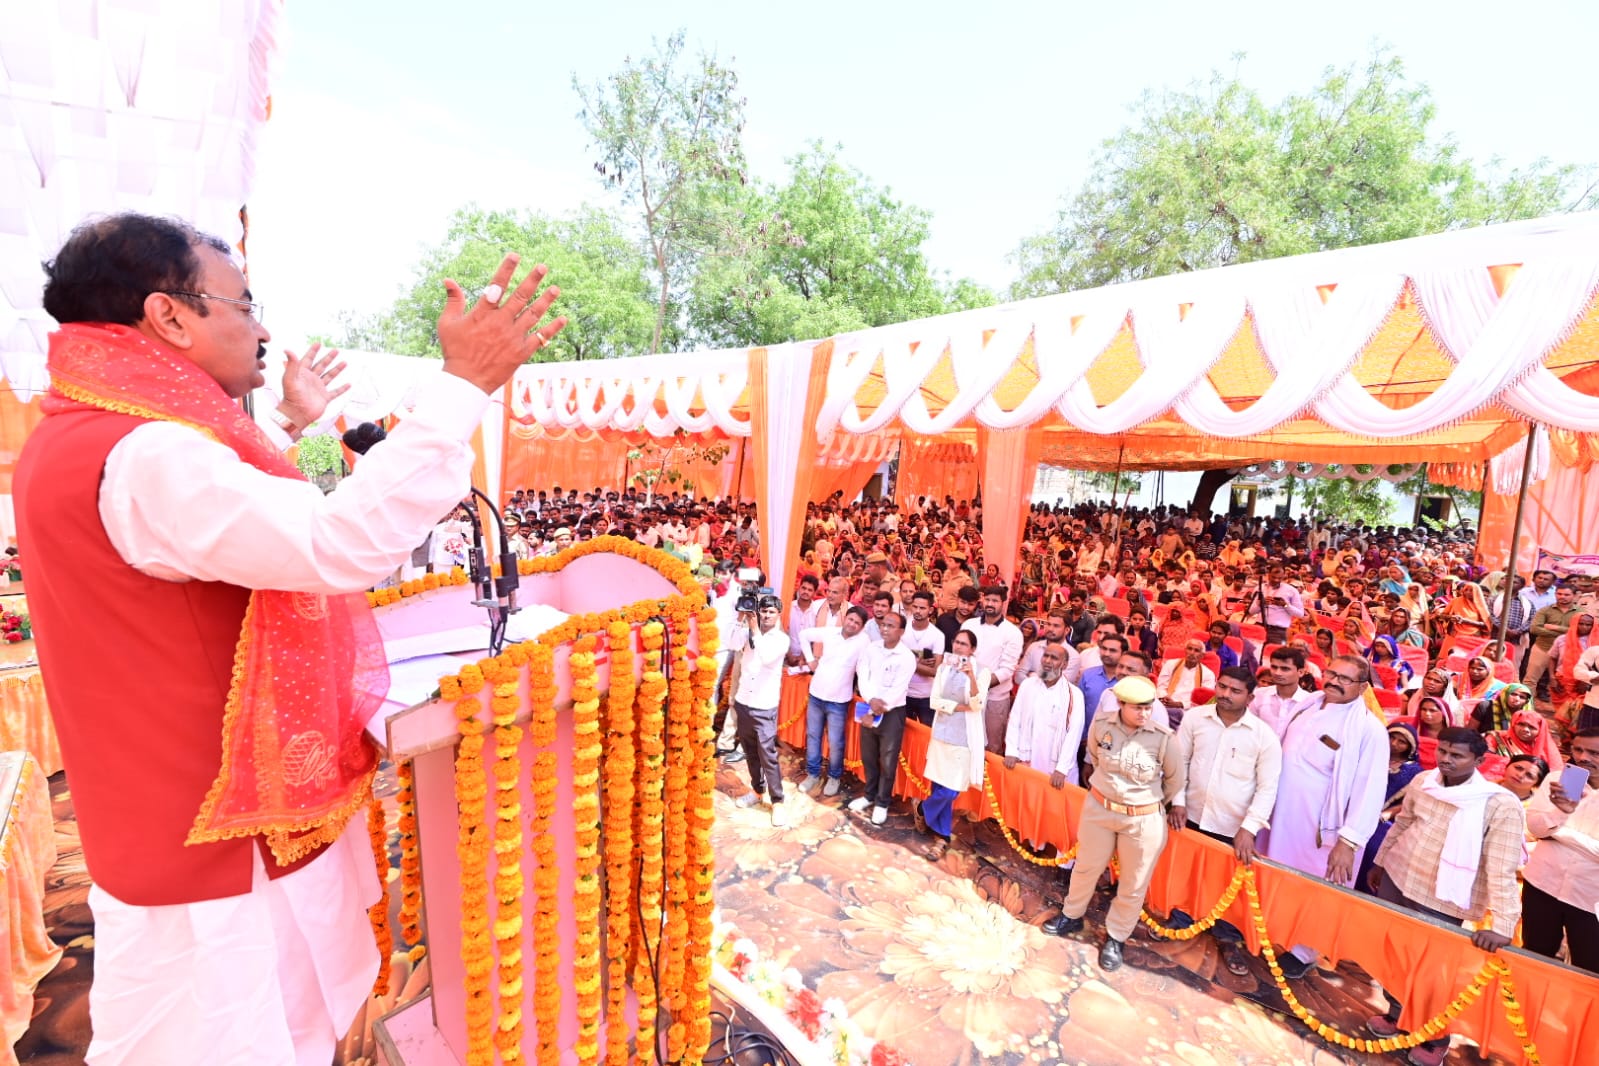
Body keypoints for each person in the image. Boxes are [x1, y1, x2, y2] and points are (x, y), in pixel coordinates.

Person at [14, 214, 567, 1064]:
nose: (262, 330)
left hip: (162, 808)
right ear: (170, 316)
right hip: (216, 838)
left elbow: (206, 525)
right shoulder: (146, 450)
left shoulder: (82, 433)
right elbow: (335, 546)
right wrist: (463, 386)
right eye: (245, 305)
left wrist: (286, 426)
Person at [1365, 728, 1525, 1066]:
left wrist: (1504, 924)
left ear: (1479, 760)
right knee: (1393, 956)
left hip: (1443, 898)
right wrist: (1380, 861)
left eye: (1457, 755)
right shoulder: (1424, 781)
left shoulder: (1499, 804)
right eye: (1442, 751)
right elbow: (1403, 824)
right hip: (1398, 876)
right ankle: (1398, 1015)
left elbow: (1502, 867)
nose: (1446, 760)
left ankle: (1435, 1037)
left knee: (1432, 972)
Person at [1042, 675, 1183, 972]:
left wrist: (1141, 802)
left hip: (1142, 819)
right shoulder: (1102, 725)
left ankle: (1117, 937)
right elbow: (1095, 757)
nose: (1144, 713)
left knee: (1133, 882)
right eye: (1137, 707)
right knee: (1085, 868)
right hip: (1100, 810)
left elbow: (1174, 781)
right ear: (1120, 704)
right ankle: (1072, 915)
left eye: (1148, 707)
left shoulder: (1163, 738)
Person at [1263, 655, 1389, 979]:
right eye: (1332, 673)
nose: (1334, 681)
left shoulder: (1369, 730)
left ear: (1363, 687)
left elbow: (1370, 791)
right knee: (1279, 878)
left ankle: (1304, 951)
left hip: (1321, 829)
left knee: (1316, 889)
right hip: (1281, 816)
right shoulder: (1308, 705)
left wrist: (1348, 842)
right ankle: (1273, 931)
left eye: (1345, 679)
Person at [1167, 667, 1281, 975]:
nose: (1225, 694)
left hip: (1233, 825)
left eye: (1235, 691)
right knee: (1188, 870)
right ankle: (1182, 918)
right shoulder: (1195, 719)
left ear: (1250, 698)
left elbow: (1267, 787)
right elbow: (1180, 762)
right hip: (1191, 813)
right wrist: (1178, 801)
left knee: (1228, 881)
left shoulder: (1263, 736)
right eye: (1222, 686)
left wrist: (1249, 827)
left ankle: (1227, 936)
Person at [1521, 727, 1599, 972]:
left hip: (1590, 898)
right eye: (1578, 750)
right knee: (1533, 956)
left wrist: (1558, 833)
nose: (1584, 757)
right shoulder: (1556, 780)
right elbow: (1536, 828)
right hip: (1541, 884)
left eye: (1595, 753)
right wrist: (1560, 812)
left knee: (1589, 968)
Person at [917, 630, 990, 861]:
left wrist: (971, 677)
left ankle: (923, 809)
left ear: (973, 649)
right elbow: (934, 701)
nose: (958, 647)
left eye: (964, 644)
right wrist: (958, 707)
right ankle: (941, 838)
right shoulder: (944, 668)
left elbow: (977, 704)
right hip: (942, 732)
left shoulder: (982, 672)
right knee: (939, 785)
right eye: (956, 642)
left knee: (951, 790)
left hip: (965, 738)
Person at [849, 611, 918, 826]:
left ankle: (882, 802)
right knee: (868, 756)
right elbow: (863, 673)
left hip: (892, 712)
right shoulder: (872, 648)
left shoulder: (906, 657)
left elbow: (898, 689)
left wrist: (876, 708)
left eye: (891, 626)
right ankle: (869, 795)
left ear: (901, 631)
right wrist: (870, 701)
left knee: (888, 760)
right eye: (883, 625)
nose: (885, 629)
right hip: (869, 705)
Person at [729, 595, 792, 827]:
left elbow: (766, 657)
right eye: (763, 611)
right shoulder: (748, 630)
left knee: (768, 755)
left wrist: (754, 628)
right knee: (750, 751)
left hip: (764, 706)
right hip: (744, 701)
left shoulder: (781, 639)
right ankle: (757, 791)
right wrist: (740, 619)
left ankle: (778, 802)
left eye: (771, 612)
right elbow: (732, 643)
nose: (766, 615)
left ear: (778, 615)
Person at [797, 606, 872, 797]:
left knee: (836, 742)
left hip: (839, 701)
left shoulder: (864, 642)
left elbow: (863, 671)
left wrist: (869, 697)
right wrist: (810, 660)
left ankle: (834, 776)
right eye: (850, 619)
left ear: (862, 627)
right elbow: (804, 635)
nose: (852, 624)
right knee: (813, 736)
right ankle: (813, 774)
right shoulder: (831, 633)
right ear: (845, 618)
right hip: (816, 694)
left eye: (857, 623)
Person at [1003, 642, 1087, 787]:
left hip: (1054, 766)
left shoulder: (1074, 695)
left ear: (1064, 665)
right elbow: (1015, 720)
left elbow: (1074, 734)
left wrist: (1062, 769)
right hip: (1026, 758)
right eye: (1045, 656)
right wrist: (1011, 751)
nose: (1047, 661)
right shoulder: (1028, 685)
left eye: (1054, 658)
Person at [962, 586, 1024, 753]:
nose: (990, 604)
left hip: (995, 698)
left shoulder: (1013, 633)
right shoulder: (969, 624)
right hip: (966, 693)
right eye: (987, 599)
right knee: (965, 741)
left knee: (991, 746)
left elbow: (1007, 669)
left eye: (995, 601)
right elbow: (961, 655)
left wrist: (979, 685)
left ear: (1003, 603)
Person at [1249, 646, 1319, 738]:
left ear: (1301, 672)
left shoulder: (1310, 703)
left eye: (1285, 669)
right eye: (1274, 667)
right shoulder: (1259, 695)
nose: (1277, 673)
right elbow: (1249, 729)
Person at [900, 590, 947, 726]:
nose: (917, 611)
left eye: (922, 608)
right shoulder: (902, 629)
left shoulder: (937, 635)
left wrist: (908, 661)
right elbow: (896, 662)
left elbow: (934, 671)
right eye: (915, 606)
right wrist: (918, 663)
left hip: (927, 695)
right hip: (903, 691)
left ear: (930, 610)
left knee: (926, 734)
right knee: (904, 733)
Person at [1486, 708, 1565, 775]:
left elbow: (1555, 773)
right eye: (1521, 724)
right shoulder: (1496, 738)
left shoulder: (1547, 748)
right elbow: (1486, 761)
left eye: (1532, 727)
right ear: (1513, 724)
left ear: (1539, 731)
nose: (1525, 729)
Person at [1155, 638, 1216, 710]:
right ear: (1185, 650)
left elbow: (1203, 700)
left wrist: (1181, 704)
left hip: (1190, 710)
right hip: (1166, 704)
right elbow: (1161, 686)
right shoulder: (1170, 664)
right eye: (1189, 649)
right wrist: (1165, 698)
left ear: (1202, 655)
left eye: (1196, 650)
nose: (1192, 653)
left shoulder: (1208, 675)